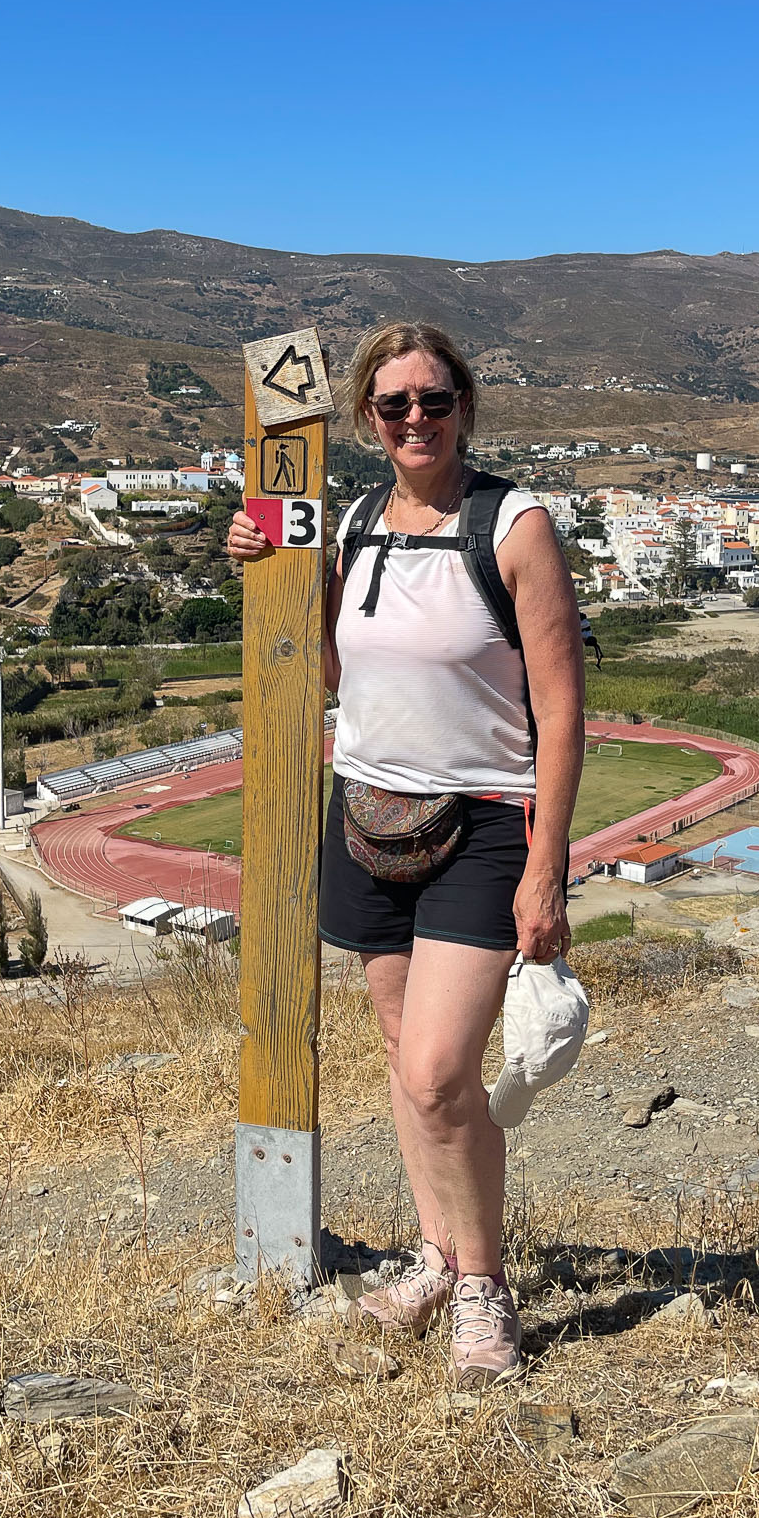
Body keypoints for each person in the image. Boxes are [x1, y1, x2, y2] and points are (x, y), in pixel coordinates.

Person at [228, 321, 584, 1386]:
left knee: (437, 1074)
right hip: (366, 817)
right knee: (400, 1057)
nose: (415, 419)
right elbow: (333, 665)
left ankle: (483, 1284)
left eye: (433, 400)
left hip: (481, 822)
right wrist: (265, 562)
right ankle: (436, 1254)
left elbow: (563, 712)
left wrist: (545, 863)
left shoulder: (513, 525)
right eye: (393, 406)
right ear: (366, 420)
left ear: (464, 406)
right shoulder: (351, 523)